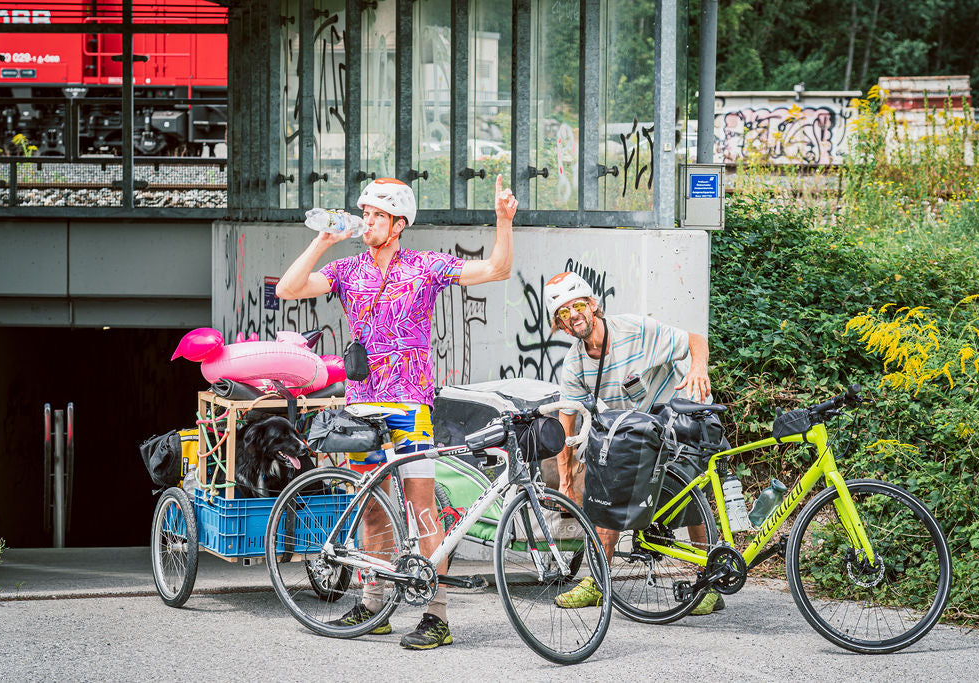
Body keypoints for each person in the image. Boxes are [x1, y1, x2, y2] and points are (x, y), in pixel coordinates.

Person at [276, 176, 518, 649]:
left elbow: (497, 270)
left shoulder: (426, 267)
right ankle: (374, 604)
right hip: (361, 403)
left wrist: (503, 222)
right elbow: (289, 288)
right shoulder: (348, 270)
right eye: (363, 214)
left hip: (409, 403)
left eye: (375, 216)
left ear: (398, 223)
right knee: (370, 505)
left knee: (421, 505)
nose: (366, 222)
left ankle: (437, 615)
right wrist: (323, 239)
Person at [542, 271, 725, 616]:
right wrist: (566, 480)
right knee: (609, 488)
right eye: (564, 312)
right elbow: (567, 422)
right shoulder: (575, 364)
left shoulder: (636, 332)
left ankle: (710, 582)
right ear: (562, 326)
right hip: (634, 432)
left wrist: (699, 368)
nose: (574, 315)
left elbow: (694, 340)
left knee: (686, 495)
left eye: (578, 305)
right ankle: (599, 581)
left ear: (593, 306)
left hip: (678, 418)